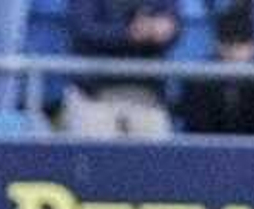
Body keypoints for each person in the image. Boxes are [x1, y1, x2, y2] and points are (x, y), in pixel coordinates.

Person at [63, 0, 180, 138]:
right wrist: (129, 33)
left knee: (156, 156)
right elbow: (84, 29)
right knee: (95, 156)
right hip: (94, 95)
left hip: (147, 95)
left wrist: (164, 28)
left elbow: (173, 24)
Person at [177, 4, 254, 135]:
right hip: (209, 154)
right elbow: (195, 135)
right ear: (217, 45)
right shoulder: (199, 80)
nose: (234, 52)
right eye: (229, 43)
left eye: (242, 44)